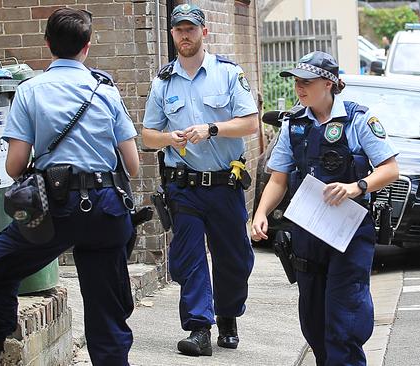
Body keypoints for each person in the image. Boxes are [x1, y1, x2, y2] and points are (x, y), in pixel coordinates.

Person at [0, 8, 139, 366]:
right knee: (106, 311)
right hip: (106, 209)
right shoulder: (105, 91)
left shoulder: (30, 90)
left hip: (55, 209)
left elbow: (14, 165)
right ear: (87, 47)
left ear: (47, 43)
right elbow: (133, 165)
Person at [251, 51, 399, 365]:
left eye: (307, 82)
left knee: (344, 322)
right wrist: (261, 213)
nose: (299, 88)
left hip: (349, 235)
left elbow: (390, 169)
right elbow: (278, 179)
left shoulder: (358, 120)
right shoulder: (294, 124)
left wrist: (355, 187)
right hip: (308, 233)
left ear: (329, 83)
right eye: (296, 82)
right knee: (314, 323)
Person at [142, 3, 259, 357]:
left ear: (204, 32)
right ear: (173, 34)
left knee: (234, 259)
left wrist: (212, 129)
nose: (185, 35)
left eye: (191, 29)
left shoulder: (227, 73)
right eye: (179, 30)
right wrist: (169, 138)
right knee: (189, 258)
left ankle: (227, 315)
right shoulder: (163, 81)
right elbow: (148, 136)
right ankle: (198, 327)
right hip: (184, 187)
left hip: (225, 184)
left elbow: (250, 122)